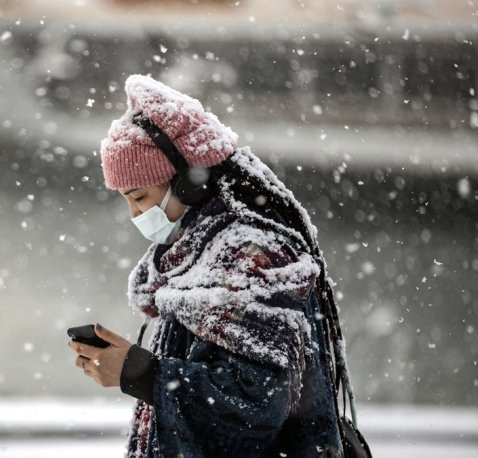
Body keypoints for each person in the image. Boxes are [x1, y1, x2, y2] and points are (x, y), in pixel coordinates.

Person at [68, 74, 356, 457]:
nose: (135, 214)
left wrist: (139, 372)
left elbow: (256, 405)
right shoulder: (193, 259)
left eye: (139, 197)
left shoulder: (250, 256)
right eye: (126, 200)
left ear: (188, 183)